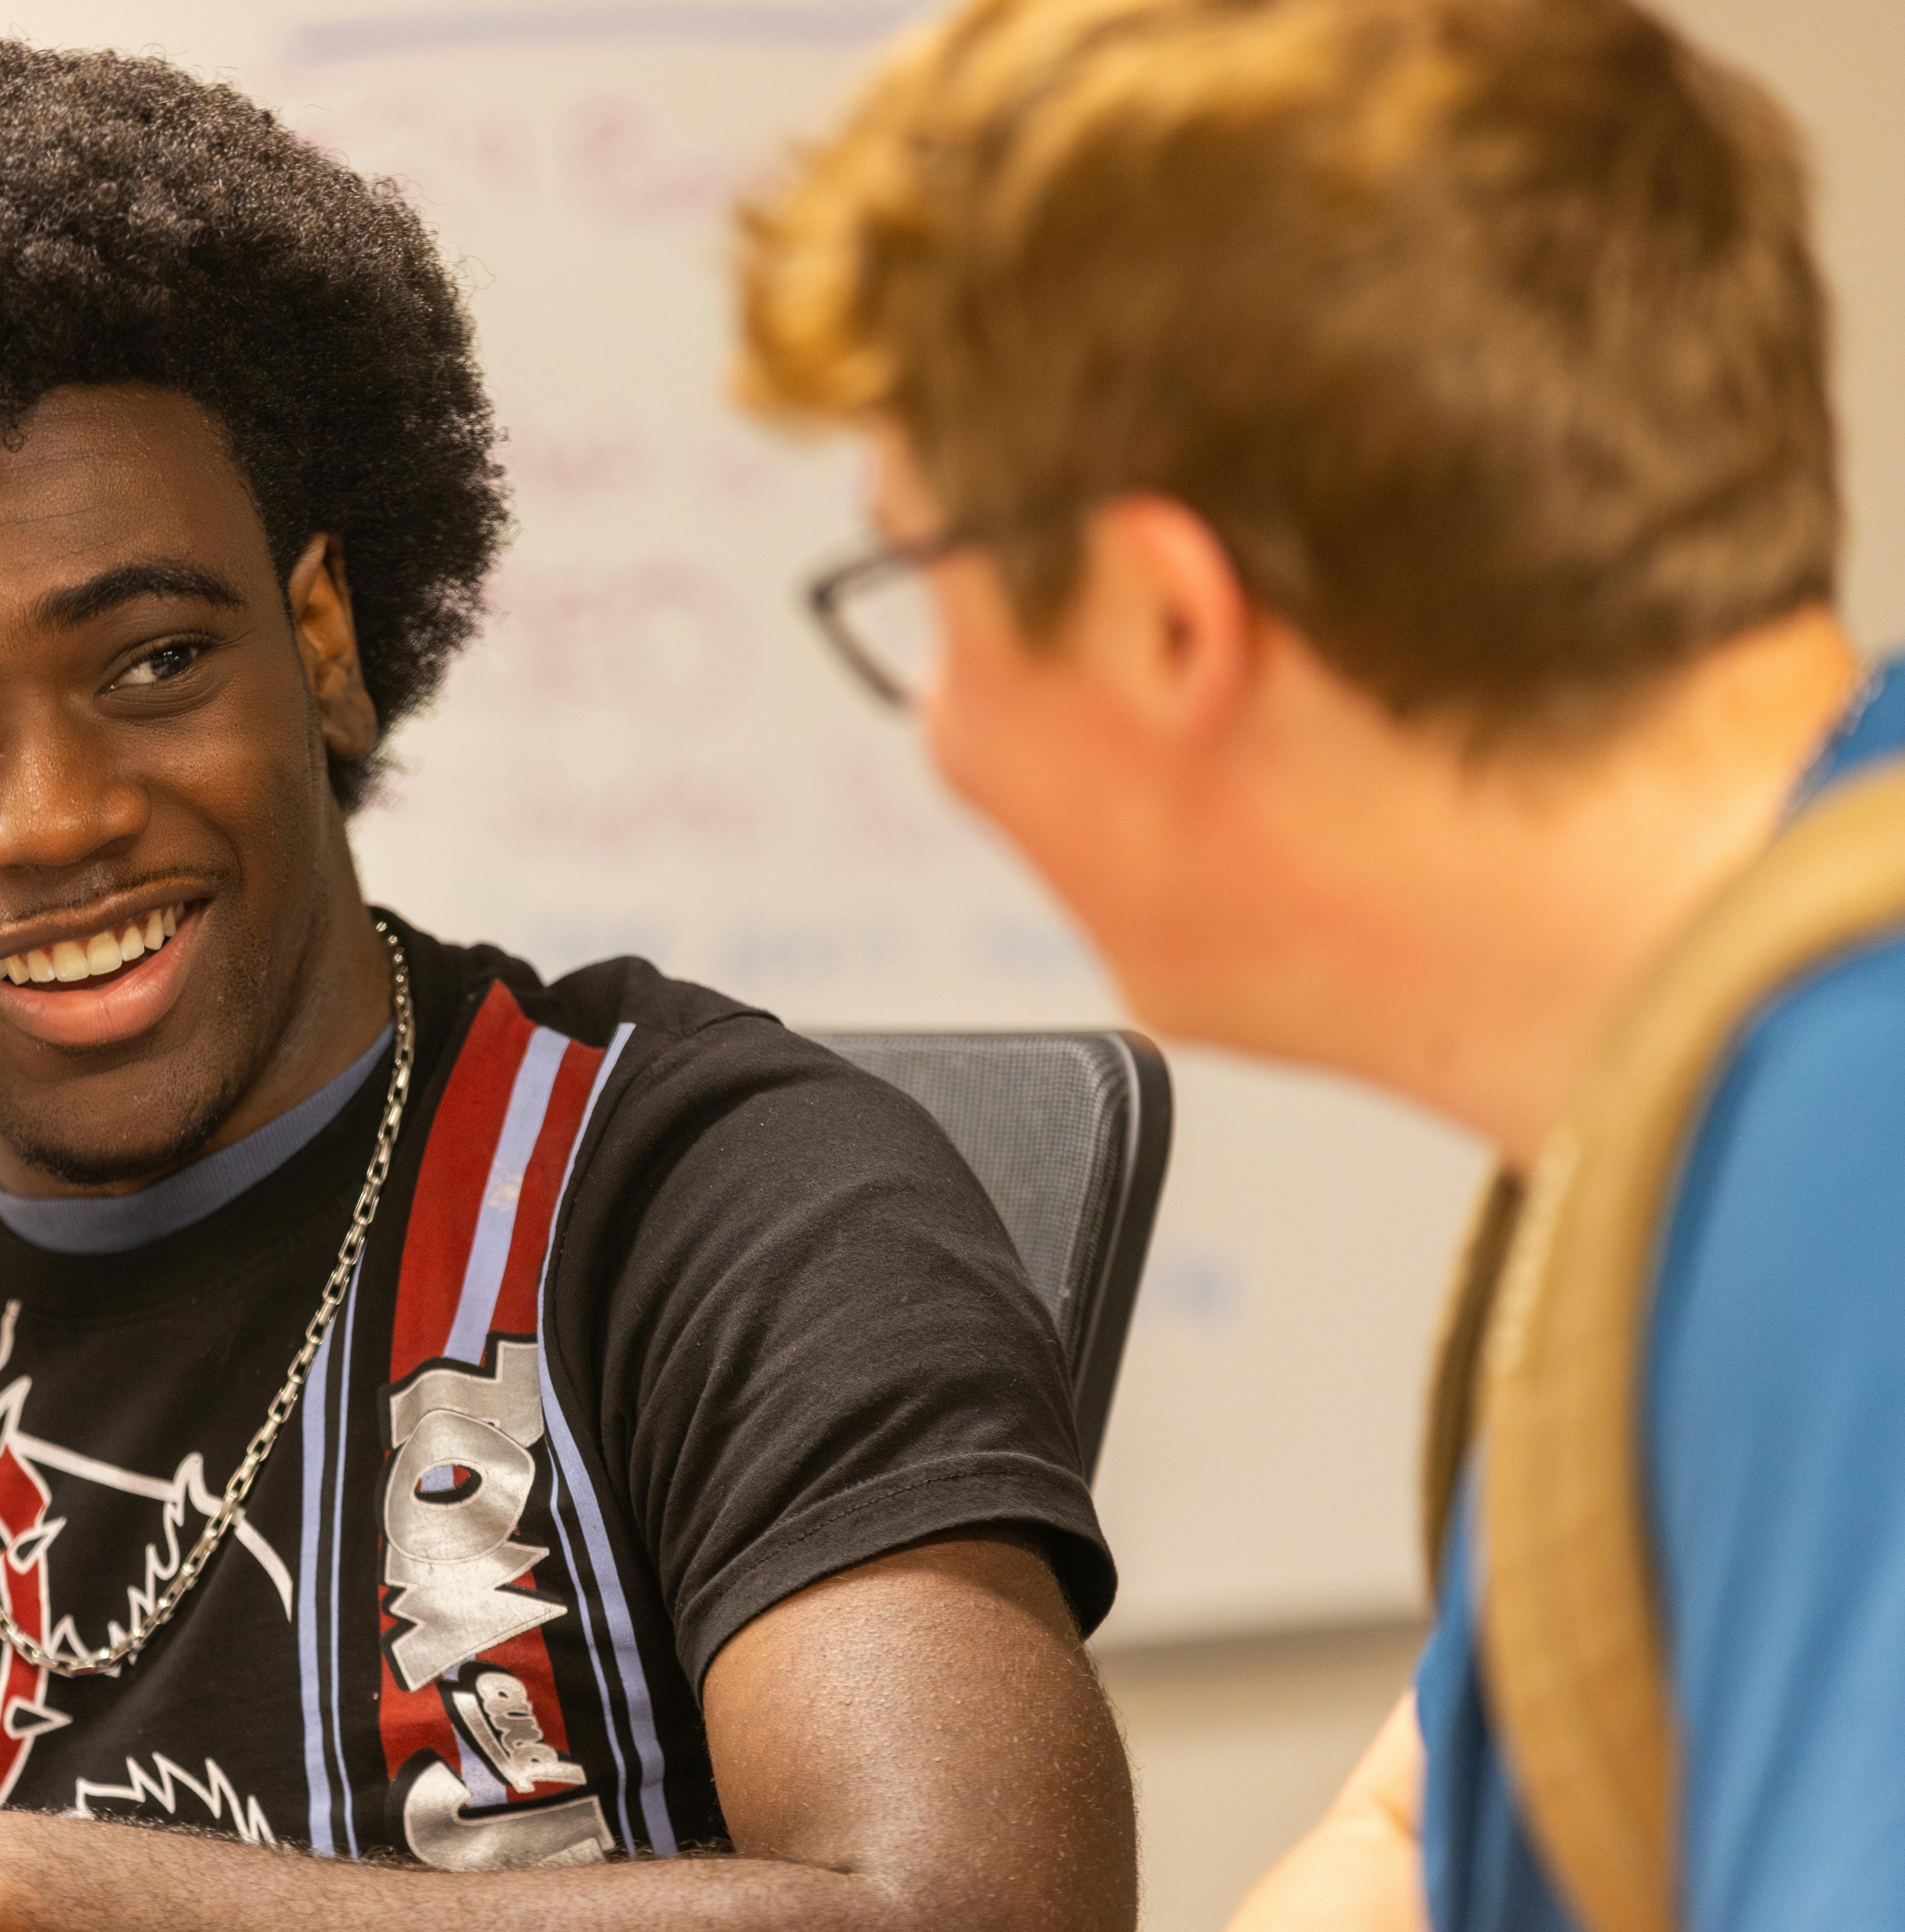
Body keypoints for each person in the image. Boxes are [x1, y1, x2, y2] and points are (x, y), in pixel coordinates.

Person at [0, 41, 1136, 1932]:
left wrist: (123, 1907)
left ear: (320, 644)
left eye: (156, 659)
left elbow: (975, 1912)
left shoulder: (726, 1204)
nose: (56, 814)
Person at [737, 0, 1905, 1927]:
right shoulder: (1689, 1094)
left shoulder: (1850, 1143)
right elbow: (1413, 1846)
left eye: (918, 602)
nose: (936, 730)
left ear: (1163, 623)